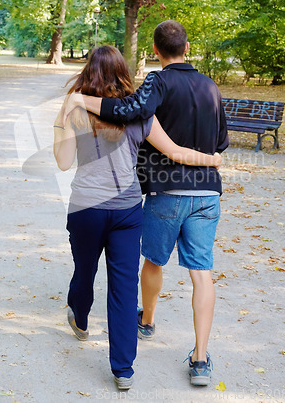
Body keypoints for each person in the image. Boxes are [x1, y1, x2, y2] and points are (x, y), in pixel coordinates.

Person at [61, 21, 229, 387]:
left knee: (119, 265)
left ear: (155, 50)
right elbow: (196, 146)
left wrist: (72, 105)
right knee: (163, 281)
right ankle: (161, 363)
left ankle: (114, 318)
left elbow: (66, 158)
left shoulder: (142, 89)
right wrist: (210, 160)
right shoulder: (184, 98)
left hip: (125, 200)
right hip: (166, 202)